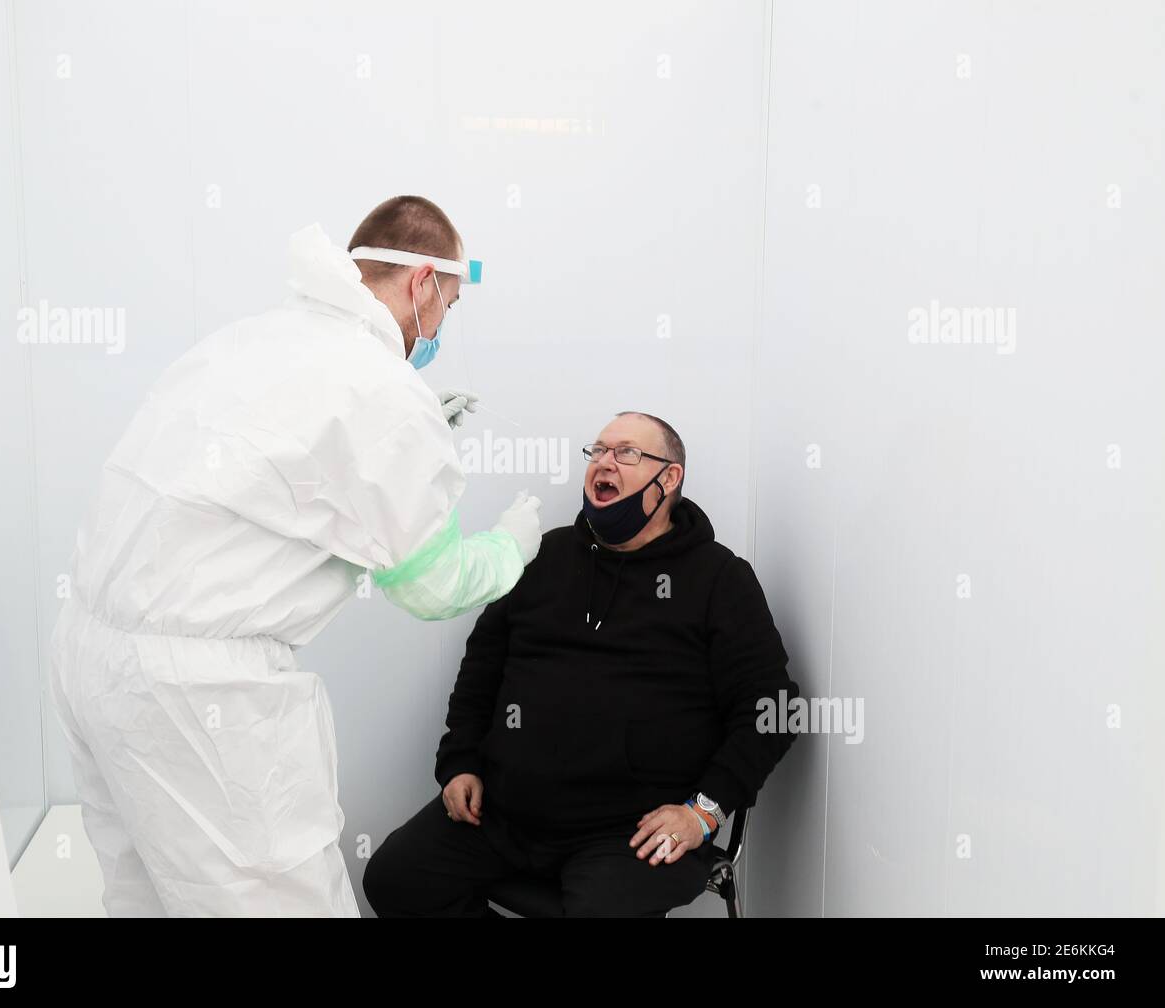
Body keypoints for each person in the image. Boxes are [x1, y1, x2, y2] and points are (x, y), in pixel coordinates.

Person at [49, 195, 542, 917]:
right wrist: (510, 547)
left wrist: (406, 438)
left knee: (147, 895)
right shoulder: (383, 390)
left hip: (90, 657)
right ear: (422, 283)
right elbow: (432, 586)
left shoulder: (250, 338)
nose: (439, 328)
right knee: (280, 901)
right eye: (449, 304)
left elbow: (262, 471)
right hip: (198, 694)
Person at [364, 412, 799, 917]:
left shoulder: (720, 580)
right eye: (597, 451)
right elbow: (481, 667)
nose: (604, 463)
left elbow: (773, 709)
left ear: (670, 477)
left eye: (627, 453)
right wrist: (460, 760)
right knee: (396, 879)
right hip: (508, 814)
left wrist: (703, 812)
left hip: (628, 833)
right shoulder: (543, 556)